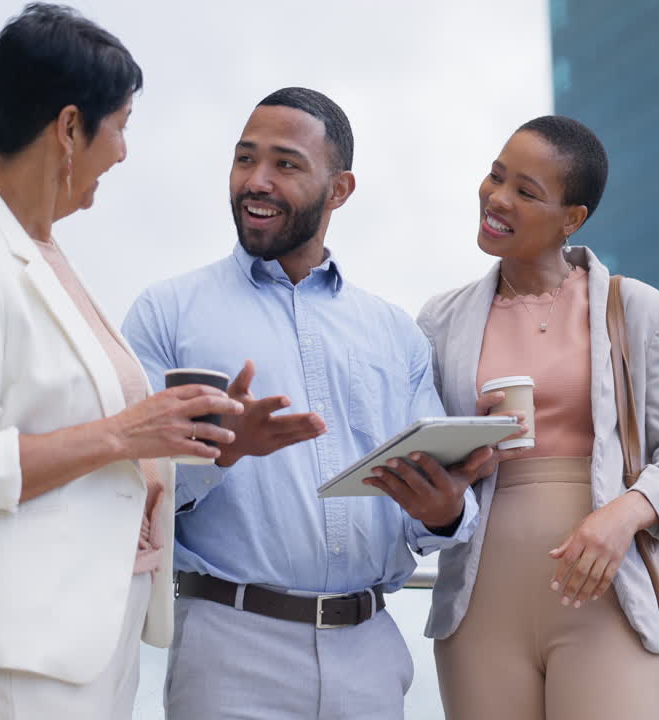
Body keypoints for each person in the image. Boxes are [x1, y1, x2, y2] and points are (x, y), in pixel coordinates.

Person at [0, 5, 243, 718]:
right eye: (123, 125)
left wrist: (187, 439)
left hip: (85, 645)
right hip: (10, 656)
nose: (125, 151)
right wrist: (124, 434)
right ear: (71, 127)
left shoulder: (44, 255)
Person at [121, 87, 497, 719]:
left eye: (285, 164)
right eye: (244, 160)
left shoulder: (394, 331)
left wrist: (441, 511)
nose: (256, 181)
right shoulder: (167, 314)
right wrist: (221, 454)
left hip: (371, 652)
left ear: (340, 188)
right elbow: (130, 489)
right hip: (229, 650)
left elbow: (422, 520)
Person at [417, 116, 659, 719]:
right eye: (496, 176)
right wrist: (461, 448)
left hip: (609, 595)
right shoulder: (440, 321)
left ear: (571, 219)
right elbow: (425, 460)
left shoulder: (636, 309)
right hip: (479, 609)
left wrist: (624, 515)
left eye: (526, 192)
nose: (497, 198)